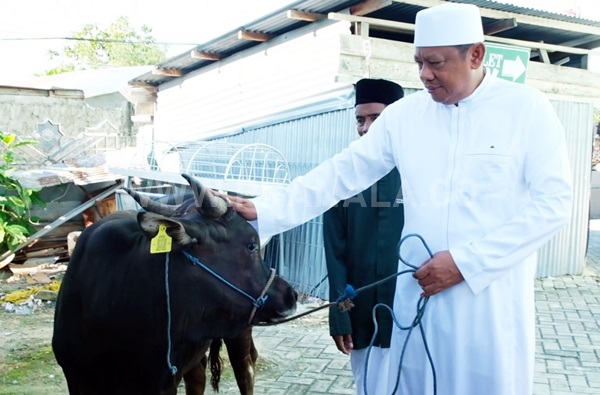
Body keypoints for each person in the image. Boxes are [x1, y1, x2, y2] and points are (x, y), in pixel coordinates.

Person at [225, 3, 573, 394]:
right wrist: (265, 209)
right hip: (417, 293)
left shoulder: (526, 110)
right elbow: (341, 173)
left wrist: (466, 263)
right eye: (419, 62)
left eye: (436, 63)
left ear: (476, 54)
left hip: (488, 301)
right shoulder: (405, 116)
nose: (424, 74)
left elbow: (554, 204)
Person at [323, 78, 404, 395]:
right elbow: (335, 254)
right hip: (362, 317)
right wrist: (340, 317)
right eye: (360, 119)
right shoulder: (343, 176)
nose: (366, 127)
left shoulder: (421, 172)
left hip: (411, 315)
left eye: (376, 118)